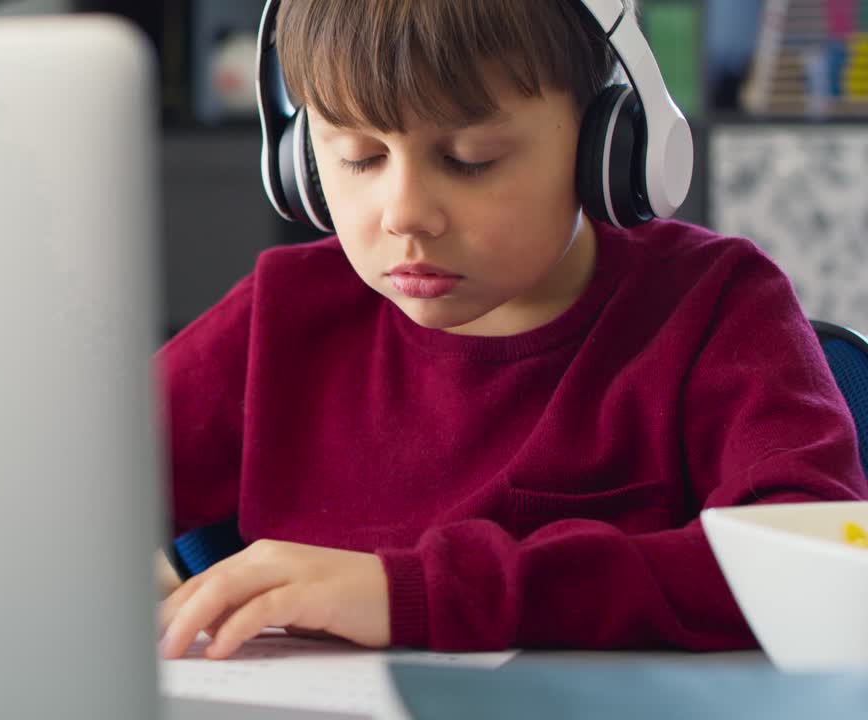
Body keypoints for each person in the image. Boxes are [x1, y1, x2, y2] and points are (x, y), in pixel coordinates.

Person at [155, 0, 868, 661]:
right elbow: (72, 482)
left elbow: (810, 566)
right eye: (359, 158)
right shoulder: (279, 318)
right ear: (301, 163)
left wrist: (417, 596)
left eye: (470, 160)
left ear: (609, 145)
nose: (405, 214)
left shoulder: (715, 310)